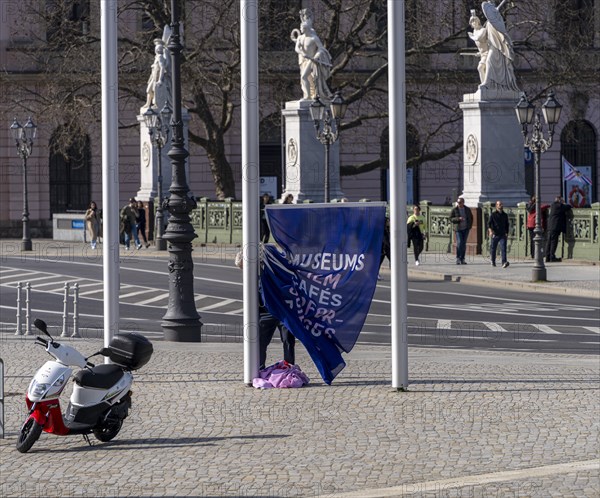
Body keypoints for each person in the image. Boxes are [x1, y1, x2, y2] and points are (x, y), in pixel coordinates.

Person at [234, 251, 295, 369]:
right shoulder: (250, 278)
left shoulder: (268, 269)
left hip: (282, 310)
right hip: (266, 313)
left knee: (288, 340)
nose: (243, 271)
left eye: (242, 267)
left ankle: (289, 367)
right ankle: (259, 368)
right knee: (260, 342)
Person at [294, 9, 333, 101]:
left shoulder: (314, 38)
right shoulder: (300, 38)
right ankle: (308, 95)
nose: (300, 29)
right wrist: (301, 52)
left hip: (311, 61)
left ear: (306, 29)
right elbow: (296, 48)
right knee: (305, 78)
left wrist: (316, 57)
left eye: (302, 28)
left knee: (306, 77)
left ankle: (308, 96)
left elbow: (321, 49)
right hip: (303, 60)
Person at [480, 0, 519, 91]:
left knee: (489, 61)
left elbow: (502, 32)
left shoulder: (498, 19)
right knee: (489, 62)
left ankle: (487, 82)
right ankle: (490, 83)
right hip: (492, 46)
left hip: (498, 47)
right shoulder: (489, 21)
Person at [144, 38, 170, 109]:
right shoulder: (157, 57)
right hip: (153, 77)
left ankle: (156, 104)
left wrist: (160, 80)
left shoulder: (160, 57)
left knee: (154, 90)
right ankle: (148, 103)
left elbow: (162, 68)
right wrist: (150, 78)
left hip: (157, 77)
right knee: (149, 90)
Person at [545, 196, 572, 262]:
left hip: (550, 226)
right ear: (560, 200)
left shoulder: (553, 205)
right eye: (562, 200)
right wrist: (564, 203)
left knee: (549, 242)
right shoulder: (559, 206)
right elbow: (568, 206)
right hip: (555, 227)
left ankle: (547, 257)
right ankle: (552, 257)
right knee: (554, 242)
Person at [450, 198, 473, 265]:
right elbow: (451, 218)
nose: (459, 203)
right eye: (458, 202)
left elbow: (471, 217)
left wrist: (469, 226)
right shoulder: (455, 209)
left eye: (460, 202)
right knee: (459, 243)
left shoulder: (467, 209)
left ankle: (462, 259)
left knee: (463, 244)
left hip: (466, 229)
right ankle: (458, 258)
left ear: (463, 202)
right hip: (458, 229)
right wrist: (458, 219)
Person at [468, 11, 489, 85]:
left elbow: (478, 38)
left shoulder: (482, 30)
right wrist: (479, 53)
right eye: (472, 21)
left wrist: (471, 37)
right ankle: (484, 84)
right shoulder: (474, 32)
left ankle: (484, 84)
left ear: (478, 22)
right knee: (484, 70)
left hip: (488, 53)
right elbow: (481, 46)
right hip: (483, 54)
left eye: (475, 21)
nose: (474, 23)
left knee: (480, 67)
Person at [488, 200, 510, 268]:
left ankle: (504, 262)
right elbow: (489, 224)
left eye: (501, 204)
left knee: (503, 248)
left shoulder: (505, 215)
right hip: (495, 233)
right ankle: (493, 261)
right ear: (496, 206)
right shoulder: (493, 214)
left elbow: (507, 224)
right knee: (493, 248)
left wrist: (507, 232)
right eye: (499, 204)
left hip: (503, 234)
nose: (501, 205)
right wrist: (490, 231)